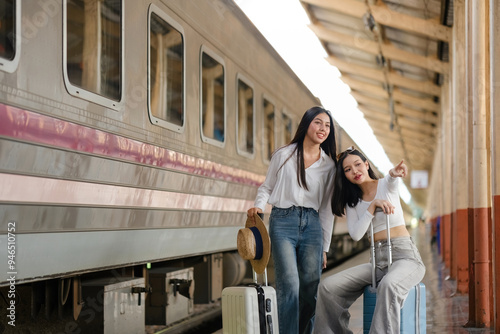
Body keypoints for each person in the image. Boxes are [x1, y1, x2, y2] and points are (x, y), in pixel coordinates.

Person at [313, 147, 426, 334]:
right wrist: (372, 206)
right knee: (327, 287)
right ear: (345, 175)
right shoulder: (353, 202)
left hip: (405, 258)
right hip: (377, 263)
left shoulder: (385, 185)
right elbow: (356, 234)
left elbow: (391, 179)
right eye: (348, 169)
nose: (355, 171)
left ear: (366, 164)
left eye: (358, 164)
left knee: (390, 285)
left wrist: (393, 173)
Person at [247, 106, 336, 334]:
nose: (323, 129)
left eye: (327, 125)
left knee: (309, 288)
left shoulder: (329, 166)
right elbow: (267, 187)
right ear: (306, 123)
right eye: (318, 122)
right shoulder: (284, 155)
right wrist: (259, 206)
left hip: (313, 226)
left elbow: (326, 208)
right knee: (290, 285)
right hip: (282, 222)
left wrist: (325, 247)